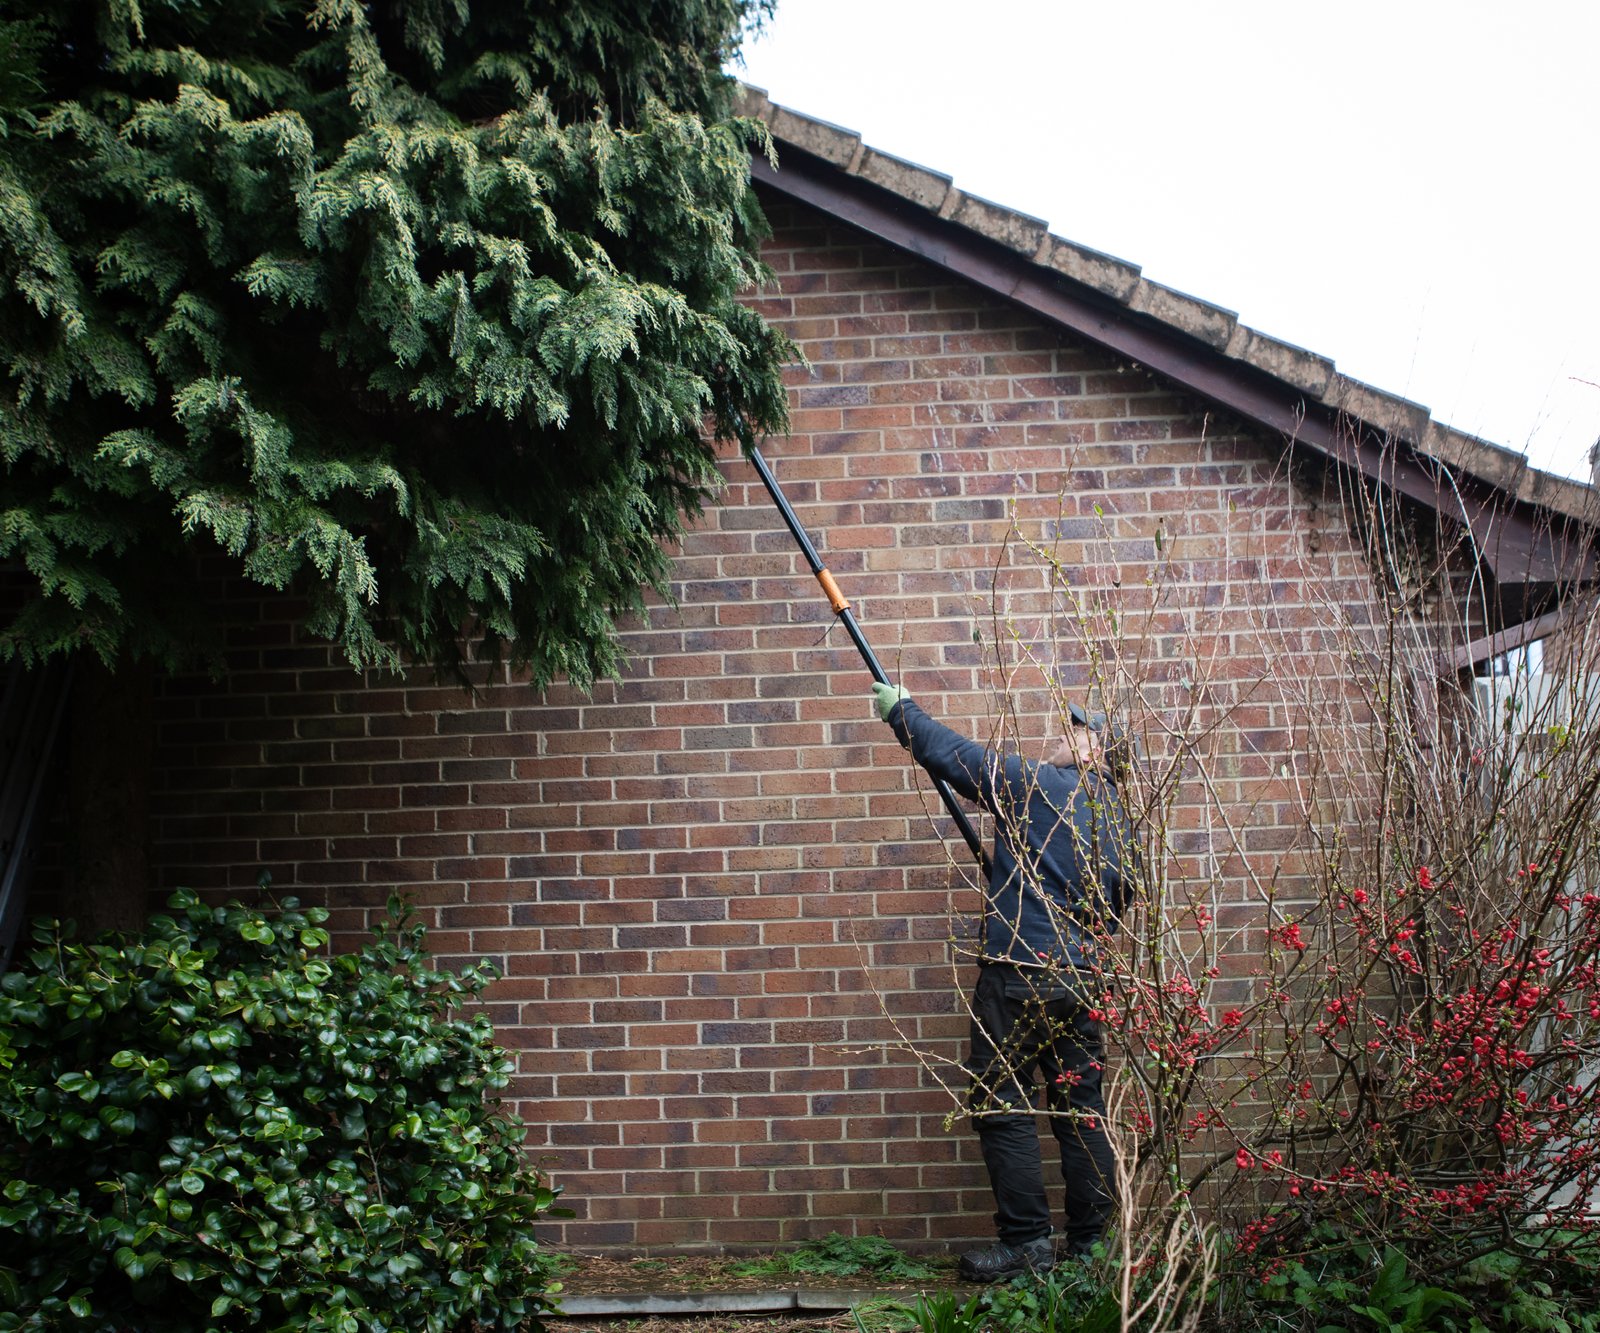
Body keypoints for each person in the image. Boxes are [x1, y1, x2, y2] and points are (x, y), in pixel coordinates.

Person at [870, 682, 1132, 1283]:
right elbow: (1119, 906)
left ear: (1097, 752)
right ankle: (1092, 1249)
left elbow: (955, 756)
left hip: (1021, 972)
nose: (1065, 734)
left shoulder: (1041, 785)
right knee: (1082, 1108)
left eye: (1079, 730)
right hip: (1086, 979)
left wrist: (901, 710)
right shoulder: (1125, 818)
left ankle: (1027, 1247)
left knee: (1002, 1102)